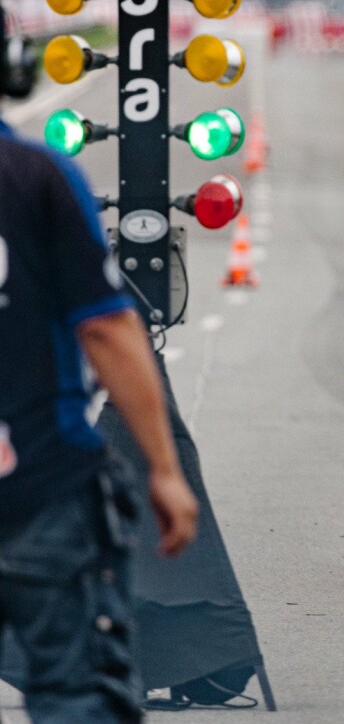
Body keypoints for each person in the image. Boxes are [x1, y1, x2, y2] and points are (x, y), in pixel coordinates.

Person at [0, 109, 200, 722]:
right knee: (75, 693)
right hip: (38, 483)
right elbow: (106, 327)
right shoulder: (37, 176)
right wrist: (163, 468)